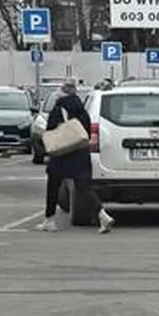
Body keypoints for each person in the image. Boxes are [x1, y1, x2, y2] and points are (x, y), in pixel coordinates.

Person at [40, 75, 110, 232]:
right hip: (80, 153)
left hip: (62, 153)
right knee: (84, 187)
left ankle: (49, 220)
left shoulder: (58, 109)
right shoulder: (83, 110)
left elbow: (51, 130)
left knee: (53, 185)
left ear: (62, 92)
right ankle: (103, 215)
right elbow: (85, 132)